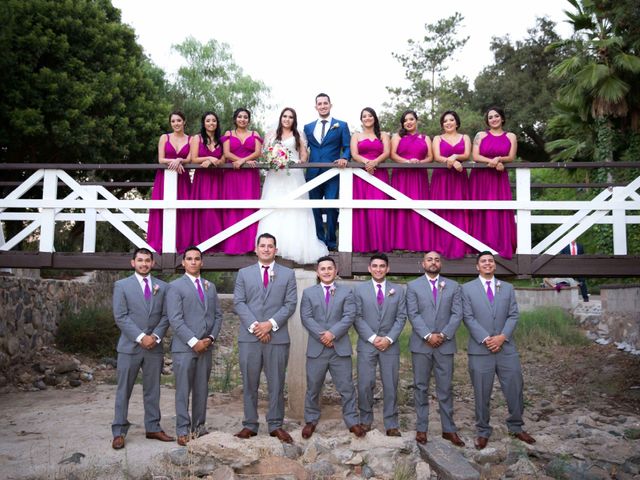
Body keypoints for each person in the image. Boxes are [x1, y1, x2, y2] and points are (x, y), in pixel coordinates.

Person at [462, 251, 535, 450]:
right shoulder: (467, 289)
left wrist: (502, 337)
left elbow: (513, 315)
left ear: (494, 265)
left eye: (490, 261)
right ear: (477, 266)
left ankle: (516, 426)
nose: (487, 264)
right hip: (480, 349)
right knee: (481, 392)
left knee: (514, 387)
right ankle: (483, 431)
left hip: (506, 348)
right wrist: (486, 339)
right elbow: (467, 317)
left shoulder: (508, 288)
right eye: (483, 261)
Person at [233, 233, 297, 443]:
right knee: (249, 382)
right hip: (249, 338)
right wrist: (255, 327)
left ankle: (276, 424)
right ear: (256, 248)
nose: (267, 249)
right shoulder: (244, 273)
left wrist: (270, 324)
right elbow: (239, 303)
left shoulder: (287, 274)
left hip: (277, 337)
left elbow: (290, 304)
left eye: (270, 246)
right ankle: (250, 424)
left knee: (276, 383)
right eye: (263, 246)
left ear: (275, 250)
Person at [111, 248, 174, 450]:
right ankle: (119, 431)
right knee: (124, 390)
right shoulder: (121, 286)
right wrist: (140, 337)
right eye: (140, 260)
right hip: (130, 347)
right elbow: (120, 316)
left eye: (147, 260)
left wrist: (154, 337)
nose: (144, 264)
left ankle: (153, 427)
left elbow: (166, 316)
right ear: (133, 263)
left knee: (153, 390)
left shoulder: (163, 287)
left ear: (153, 263)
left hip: (153, 347)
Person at [300, 256, 366, 439]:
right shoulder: (309, 293)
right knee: (313, 386)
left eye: (330, 268)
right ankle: (311, 420)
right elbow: (306, 317)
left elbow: (349, 315)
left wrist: (332, 334)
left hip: (340, 348)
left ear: (336, 271)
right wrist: (323, 335)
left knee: (346, 387)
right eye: (323, 269)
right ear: (317, 272)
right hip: (317, 348)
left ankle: (352, 421)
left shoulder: (347, 292)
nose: (327, 271)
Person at [406, 250, 465, 447]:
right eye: (429, 259)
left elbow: (457, 314)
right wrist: (427, 335)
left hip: (445, 345)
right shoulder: (413, 286)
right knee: (420, 387)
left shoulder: (453, 286)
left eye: (437, 260)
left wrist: (443, 335)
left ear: (441, 264)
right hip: (421, 345)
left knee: (445, 388)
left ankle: (449, 429)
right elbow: (413, 314)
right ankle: (421, 428)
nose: (433, 262)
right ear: (423, 264)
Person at [166, 246, 223, 446]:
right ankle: (182, 429)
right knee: (183, 390)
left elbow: (217, 316)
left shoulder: (210, 286)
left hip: (206, 347)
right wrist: (193, 341)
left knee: (201, 389)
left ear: (202, 262)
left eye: (196, 259)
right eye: (189, 259)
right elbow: (175, 318)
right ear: (183, 263)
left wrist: (210, 339)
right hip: (185, 347)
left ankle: (199, 427)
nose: (193, 262)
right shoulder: (175, 287)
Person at [257, 108, 328, 263]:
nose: (287, 119)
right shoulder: (271, 134)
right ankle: (270, 245)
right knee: (274, 208)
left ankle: (295, 245)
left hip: (293, 175)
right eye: (285, 116)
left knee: (295, 208)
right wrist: (274, 159)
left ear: (294, 120)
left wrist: (295, 161)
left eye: (290, 117)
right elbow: (264, 154)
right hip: (275, 176)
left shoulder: (299, 135)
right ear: (281, 118)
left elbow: (303, 156)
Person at [353, 253, 407, 436]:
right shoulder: (359, 290)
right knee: (365, 383)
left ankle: (391, 423)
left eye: (382, 266)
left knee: (391, 383)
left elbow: (401, 317)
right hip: (367, 343)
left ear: (387, 268)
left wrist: (389, 339)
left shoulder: (398, 290)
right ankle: (365, 419)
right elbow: (357, 317)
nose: (378, 269)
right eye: (374, 266)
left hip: (390, 345)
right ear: (369, 268)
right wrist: (372, 337)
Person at [303, 93, 351, 251]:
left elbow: (348, 146)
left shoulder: (341, 125)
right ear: (315, 106)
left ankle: (331, 242)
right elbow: (303, 148)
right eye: (320, 103)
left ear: (330, 105)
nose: (323, 106)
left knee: (331, 207)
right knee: (315, 208)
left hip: (333, 173)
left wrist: (344, 157)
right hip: (313, 173)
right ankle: (318, 241)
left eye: (325, 103)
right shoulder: (308, 127)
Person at [469, 107, 517, 259]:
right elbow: (475, 156)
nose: (494, 119)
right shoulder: (480, 135)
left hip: (498, 178)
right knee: (480, 210)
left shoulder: (511, 136)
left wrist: (499, 160)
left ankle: (498, 246)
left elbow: (511, 157)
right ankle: (477, 246)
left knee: (498, 210)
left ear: (502, 118)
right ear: (487, 121)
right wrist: (493, 161)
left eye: (496, 116)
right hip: (480, 178)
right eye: (490, 117)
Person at [146, 111, 192, 253]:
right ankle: (158, 243)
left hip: (182, 178)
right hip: (164, 178)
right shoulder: (164, 138)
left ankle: (182, 244)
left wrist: (180, 160)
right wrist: (174, 160)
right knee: (162, 208)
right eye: (173, 121)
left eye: (179, 120)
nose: (176, 123)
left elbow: (189, 159)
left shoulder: (191, 139)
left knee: (183, 210)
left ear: (184, 122)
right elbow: (161, 159)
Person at [390, 110, 433, 251]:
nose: (408, 122)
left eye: (411, 119)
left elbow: (430, 157)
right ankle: (400, 243)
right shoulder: (397, 137)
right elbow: (393, 155)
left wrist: (419, 162)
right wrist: (407, 161)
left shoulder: (425, 138)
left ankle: (418, 243)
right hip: (402, 175)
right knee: (402, 207)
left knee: (418, 206)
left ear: (417, 120)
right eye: (405, 120)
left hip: (419, 176)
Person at [221, 108, 263, 254]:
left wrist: (243, 161)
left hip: (249, 175)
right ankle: (232, 245)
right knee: (233, 207)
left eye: (245, 117)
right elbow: (226, 153)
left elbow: (258, 152)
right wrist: (240, 161)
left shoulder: (254, 134)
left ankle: (250, 245)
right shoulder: (228, 134)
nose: (242, 119)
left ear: (249, 120)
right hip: (232, 175)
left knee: (249, 207)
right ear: (235, 119)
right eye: (240, 117)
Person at [431, 111, 471, 259]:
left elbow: (467, 154)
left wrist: (455, 156)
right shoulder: (437, 138)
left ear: (457, 122)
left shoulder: (465, 137)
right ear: (442, 124)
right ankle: (441, 245)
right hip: (442, 178)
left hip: (459, 178)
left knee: (459, 210)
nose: (448, 123)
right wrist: (452, 161)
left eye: (451, 120)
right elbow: (436, 157)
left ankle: (461, 244)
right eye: (445, 121)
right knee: (442, 210)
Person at [350, 108, 391, 252]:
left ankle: (380, 245)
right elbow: (354, 154)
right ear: (361, 120)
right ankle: (363, 245)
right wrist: (367, 162)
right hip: (361, 175)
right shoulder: (356, 135)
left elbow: (387, 152)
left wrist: (374, 162)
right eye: (364, 116)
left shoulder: (383, 135)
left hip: (379, 174)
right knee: (362, 209)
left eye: (370, 115)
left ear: (374, 117)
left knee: (379, 209)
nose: (367, 118)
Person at [189, 111, 225, 252]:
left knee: (216, 210)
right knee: (204, 209)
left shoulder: (221, 140)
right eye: (208, 120)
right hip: (202, 179)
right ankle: (202, 243)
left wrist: (218, 160)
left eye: (214, 121)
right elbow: (194, 159)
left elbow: (223, 158)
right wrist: (209, 159)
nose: (211, 123)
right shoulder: (197, 138)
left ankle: (217, 244)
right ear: (204, 123)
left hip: (217, 178)